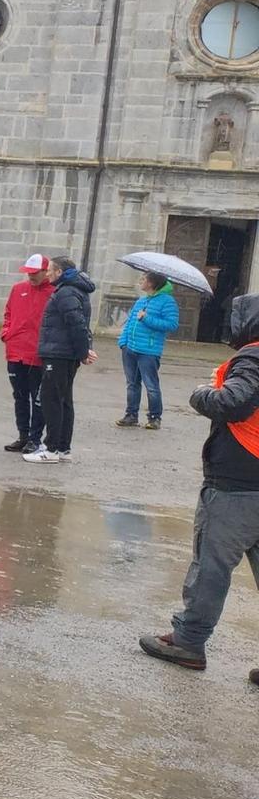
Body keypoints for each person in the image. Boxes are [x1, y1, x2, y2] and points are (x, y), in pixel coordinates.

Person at [139, 293, 259, 682]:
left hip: (237, 485)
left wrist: (203, 393)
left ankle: (188, 641)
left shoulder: (252, 357)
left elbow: (234, 403)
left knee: (210, 567)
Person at [26, 257, 97, 464]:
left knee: (52, 400)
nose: (47, 274)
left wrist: (84, 351)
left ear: (59, 272)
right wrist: (84, 349)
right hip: (63, 353)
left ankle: (52, 449)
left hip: (59, 354)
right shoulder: (71, 290)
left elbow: (77, 324)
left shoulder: (66, 292)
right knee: (63, 400)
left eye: (50, 270)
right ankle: (63, 448)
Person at [1, 253, 53, 453]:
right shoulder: (18, 289)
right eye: (28, 273)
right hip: (15, 352)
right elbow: (8, 313)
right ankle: (23, 435)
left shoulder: (53, 292)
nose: (31, 276)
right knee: (20, 396)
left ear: (45, 272)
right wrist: (6, 333)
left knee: (38, 398)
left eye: (35, 273)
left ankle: (35, 438)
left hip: (38, 355)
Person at [116, 270, 180, 429]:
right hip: (130, 348)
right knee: (132, 384)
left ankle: (154, 417)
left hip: (149, 351)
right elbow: (130, 322)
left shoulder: (167, 301)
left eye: (143, 279)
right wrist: (123, 342)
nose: (140, 281)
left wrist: (146, 318)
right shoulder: (141, 300)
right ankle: (131, 415)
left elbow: (171, 325)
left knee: (151, 385)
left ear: (151, 283)